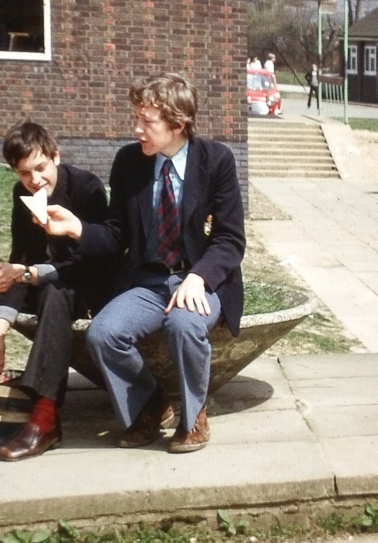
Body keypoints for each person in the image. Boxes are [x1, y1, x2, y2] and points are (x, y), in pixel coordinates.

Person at [42, 72, 246, 454]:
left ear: (177, 124)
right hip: (148, 280)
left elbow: (230, 239)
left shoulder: (216, 161)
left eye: (147, 122)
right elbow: (117, 235)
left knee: (184, 325)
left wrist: (199, 277)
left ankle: (194, 416)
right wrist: (77, 229)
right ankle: (151, 405)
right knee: (103, 334)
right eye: (136, 118)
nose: (137, 129)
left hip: (201, 280)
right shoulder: (129, 162)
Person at [0, 121, 113, 461]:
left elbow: (90, 263)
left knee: (52, 292)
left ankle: (44, 418)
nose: (35, 180)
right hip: (35, 281)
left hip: (81, 288)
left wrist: (27, 273)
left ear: (56, 157)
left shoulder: (86, 188)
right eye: (24, 173)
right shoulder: (23, 195)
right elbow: (21, 258)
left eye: (40, 168)